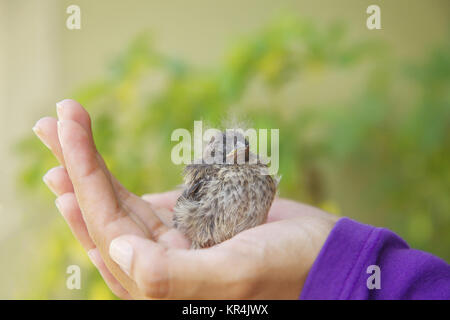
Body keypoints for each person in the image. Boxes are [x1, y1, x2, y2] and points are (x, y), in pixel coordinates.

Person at [32, 99, 450, 300]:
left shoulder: (263, 181)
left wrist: (333, 262)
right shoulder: (206, 179)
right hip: (206, 231)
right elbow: (185, 212)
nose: (242, 157)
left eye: (245, 152)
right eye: (233, 154)